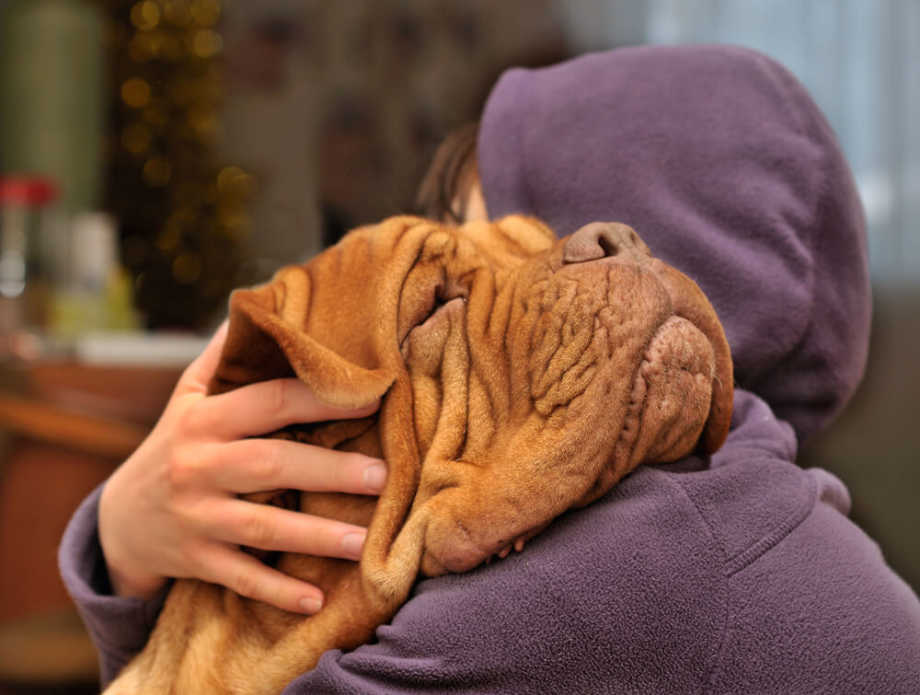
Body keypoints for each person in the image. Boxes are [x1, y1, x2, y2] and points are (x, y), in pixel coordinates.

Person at [60, 44, 920, 693]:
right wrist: (127, 539)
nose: (490, 276)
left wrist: (119, 559)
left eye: (494, 268)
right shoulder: (740, 503)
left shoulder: (633, 561)